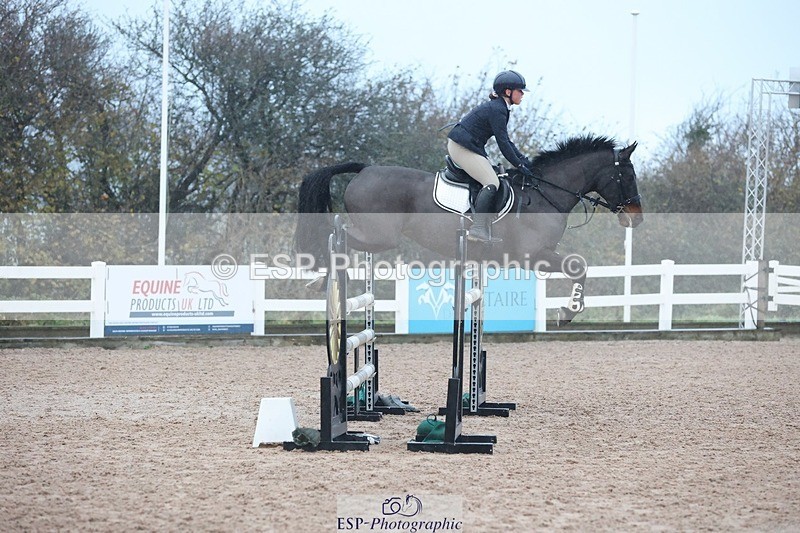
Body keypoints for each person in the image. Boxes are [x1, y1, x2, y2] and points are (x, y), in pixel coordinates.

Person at [447, 70, 533, 243]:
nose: (522, 94)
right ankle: (478, 229)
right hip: (461, 147)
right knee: (491, 182)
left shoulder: (500, 107)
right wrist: (519, 165)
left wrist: (523, 161)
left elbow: (507, 141)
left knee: (496, 176)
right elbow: (503, 143)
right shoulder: (498, 109)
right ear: (508, 91)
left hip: (469, 146)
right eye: (520, 91)